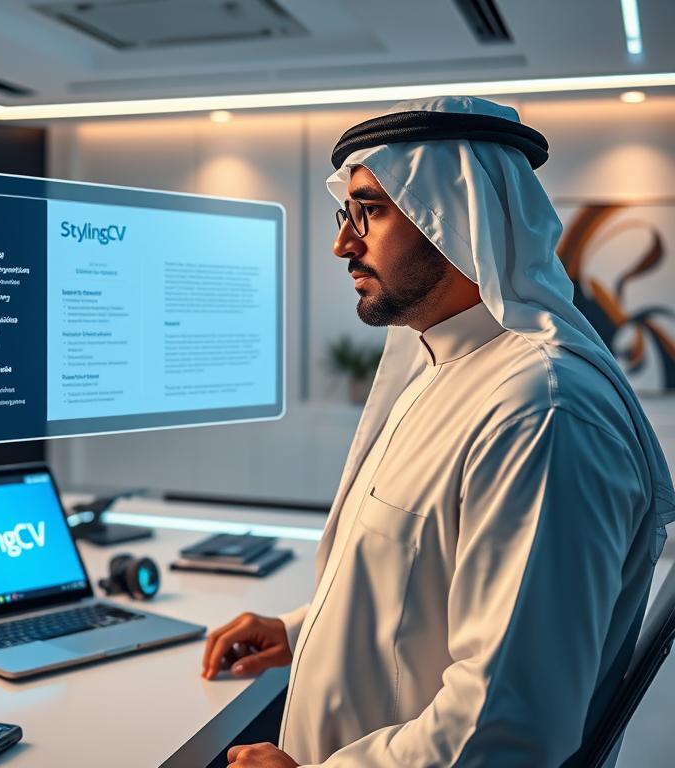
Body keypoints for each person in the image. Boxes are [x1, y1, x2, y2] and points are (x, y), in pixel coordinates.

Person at [202, 95, 675, 767]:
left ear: (451, 215)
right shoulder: (449, 369)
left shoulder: (541, 410)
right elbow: (420, 585)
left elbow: (510, 725)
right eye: (347, 213)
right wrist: (301, 632)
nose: (343, 243)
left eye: (369, 211)